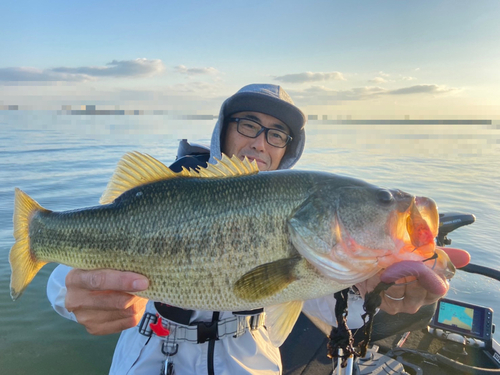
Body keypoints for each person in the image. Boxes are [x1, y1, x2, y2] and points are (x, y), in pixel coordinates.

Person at [47, 84, 468, 375]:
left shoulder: (319, 246)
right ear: (223, 129)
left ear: (288, 149)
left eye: (277, 135)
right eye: (247, 124)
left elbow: (330, 309)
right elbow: (69, 271)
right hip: (147, 357)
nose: (259, 143)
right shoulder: (166, 190)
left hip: (248, 361)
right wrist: (70, 292)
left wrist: (382, 294)